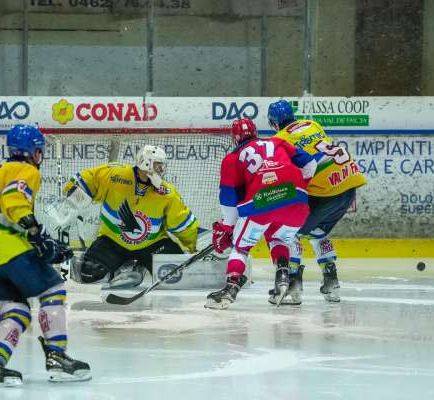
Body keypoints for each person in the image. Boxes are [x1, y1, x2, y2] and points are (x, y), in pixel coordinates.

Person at [0, 124, 90, 386]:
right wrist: (34, 230)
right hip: (0, 246)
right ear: (33, 151)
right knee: (53, 289)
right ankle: (57, 357)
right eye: (39, 151)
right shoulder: (26, 169)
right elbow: (13, 201)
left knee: (16, 309)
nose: (40, 156)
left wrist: (34, 239)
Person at [205, 118, 317, 309]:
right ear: (255, 132)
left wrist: (228, 227)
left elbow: (229, 197)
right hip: (297, 201)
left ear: (235, 137)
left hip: (261, 203)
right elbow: (310, 163)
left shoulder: (232, 158)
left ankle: (229, 290)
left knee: (241, 247)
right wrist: (294, 190)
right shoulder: (277, 141)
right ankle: (284, 279)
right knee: (279, 239)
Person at [268, 99, 367, 303]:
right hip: (349, 185)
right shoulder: (313, 124)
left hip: (325, 193)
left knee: (289, 234)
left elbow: (291, 173)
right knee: (319, 233)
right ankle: (331, 282)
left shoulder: (280, 139)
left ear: (273, 122)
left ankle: (293, 286)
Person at [62, 145, 199, 289]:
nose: (162, 169)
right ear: (147, 163)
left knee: (179, 275)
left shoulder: (166, 193)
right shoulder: (115, 176)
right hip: (112, 242)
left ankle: (139, 267)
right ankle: (128, 268)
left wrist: (193, 245)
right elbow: (89, 178)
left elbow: (181, 222)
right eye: (158, 165)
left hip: (153, 245)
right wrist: (76, 190)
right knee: (87, 274)